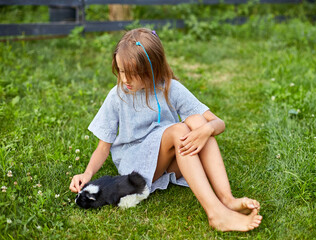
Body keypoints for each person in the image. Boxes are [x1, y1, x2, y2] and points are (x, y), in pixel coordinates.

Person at [69, 28, 262, 232]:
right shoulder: (117, 96)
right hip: (135, 165)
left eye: (133, 74)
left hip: (167, 158)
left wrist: (207, 130)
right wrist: (87, 172)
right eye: (122, 71)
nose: (125, 79)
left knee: (199, 124)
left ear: (153, 69)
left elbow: (218, 123)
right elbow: (103, 147)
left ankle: (227, 199)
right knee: (181, 130)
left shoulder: (170, 87)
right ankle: (216, 214)